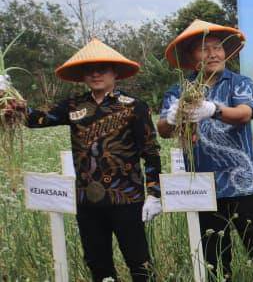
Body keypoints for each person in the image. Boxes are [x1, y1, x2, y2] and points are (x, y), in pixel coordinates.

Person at [2, 39, 161, 282]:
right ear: (83, 75)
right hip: (87, 200)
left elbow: (150, 151)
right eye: (90, 69)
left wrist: (154, 193)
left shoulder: (134, 107)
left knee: (139, 262)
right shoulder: (73, 105)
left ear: (115, 72)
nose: (96, 74)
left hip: (127, 198)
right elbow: (37, 120)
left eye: (103, 69)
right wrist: (10, 99)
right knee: (98, 264)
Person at [156, 20, 253, 281]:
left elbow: (245, 113)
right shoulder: (179, 90)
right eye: (204, 49)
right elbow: (163, 130)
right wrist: (170, 118)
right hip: (203, 185)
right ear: (192, 57)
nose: (213, 54)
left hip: (243, 184)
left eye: (217, 48)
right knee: (214, 257)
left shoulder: (239, 82)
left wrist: (214, 109)